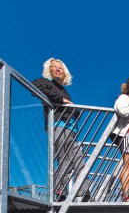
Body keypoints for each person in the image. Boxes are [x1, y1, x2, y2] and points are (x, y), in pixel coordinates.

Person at [32, 58, 91, 202]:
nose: (58, 69)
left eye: (60, 67)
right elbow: (34, 87)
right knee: (66, 158)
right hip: (58, 125)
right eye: (54, 67)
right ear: (49, 70)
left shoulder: (63, 90)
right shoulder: (46, 83)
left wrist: (74, 112)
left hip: (71, 128)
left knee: (79, 160)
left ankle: (84, 192)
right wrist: (61, 99)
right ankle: (59, 191)